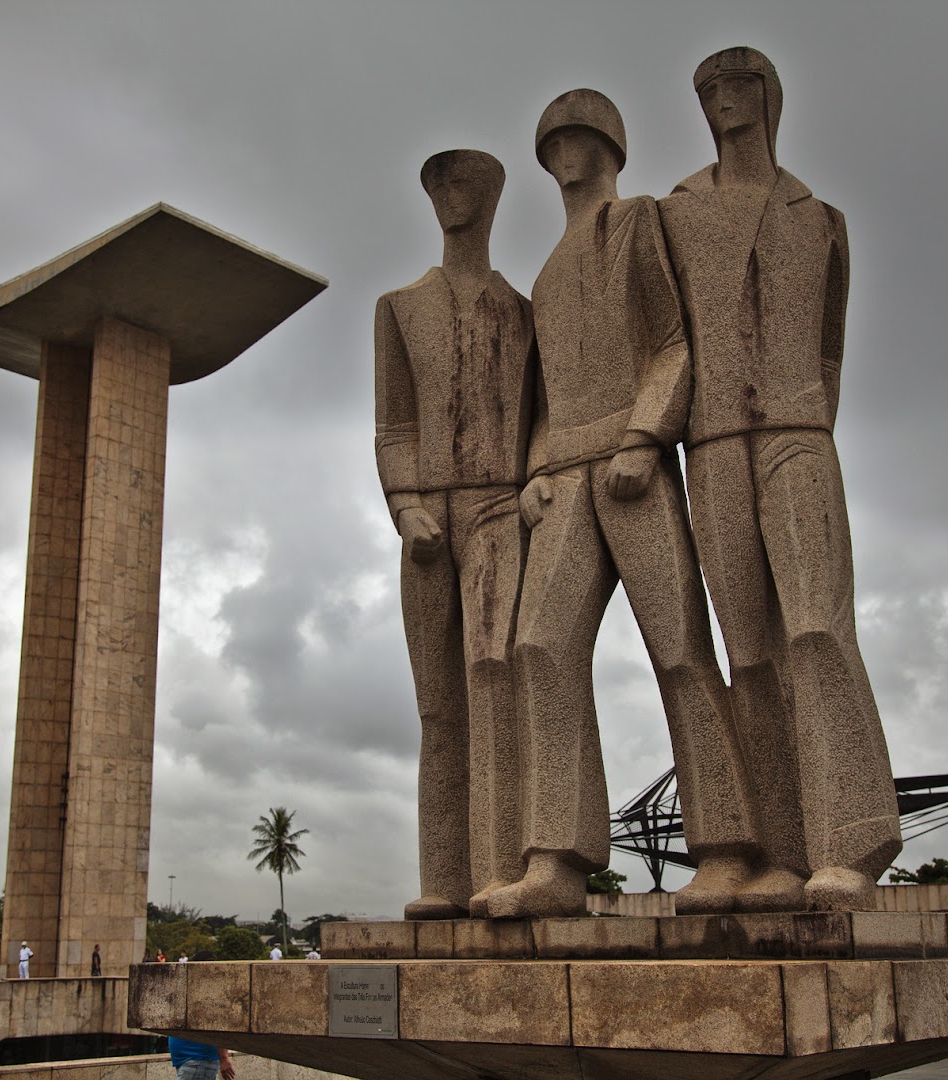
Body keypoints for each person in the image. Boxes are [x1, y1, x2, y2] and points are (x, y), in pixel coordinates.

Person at [486, 88, 745, 920]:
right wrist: (531, 467)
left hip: (632, 463)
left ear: (610, 145)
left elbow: (673, 345)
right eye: (553, 141)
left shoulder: (636, 222)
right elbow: (545, 399)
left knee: (677, 646)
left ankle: (729, 845)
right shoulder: (547, 272)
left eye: (580, 137)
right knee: (538, 646)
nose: (567, 154)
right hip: (565, 475)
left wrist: (644, 436)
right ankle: (557, 860)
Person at [657, 46, 901, 912]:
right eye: (709, 89)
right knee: (749, 650)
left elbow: (829, 349)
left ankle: (852, 839)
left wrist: (801, 414)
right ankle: (781, 853)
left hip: (797, 432)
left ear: (771, 96)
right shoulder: (674, 214)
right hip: (712, 442)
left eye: (740, 83)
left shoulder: (819, 218)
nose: (725, 100)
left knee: (817, 631)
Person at [375, 147, 537, 920]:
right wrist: (406, 505)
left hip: (500, 507)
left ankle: (501, 868)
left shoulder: (521, 310)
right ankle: (443, 878)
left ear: (494, 196)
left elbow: (542, 416)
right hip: (427, 516)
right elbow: (393, 425)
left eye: (462, 182)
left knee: (492, 677)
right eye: (436, 183)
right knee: (437, 705)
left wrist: (530, 482)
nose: (449, 195)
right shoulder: (400, 307)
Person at [166, 951, 236, 1079]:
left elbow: (221, 1026)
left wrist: (224, 1058)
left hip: (198, 1061)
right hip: (193, 1061)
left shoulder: (212, 995)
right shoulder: (198, 991)